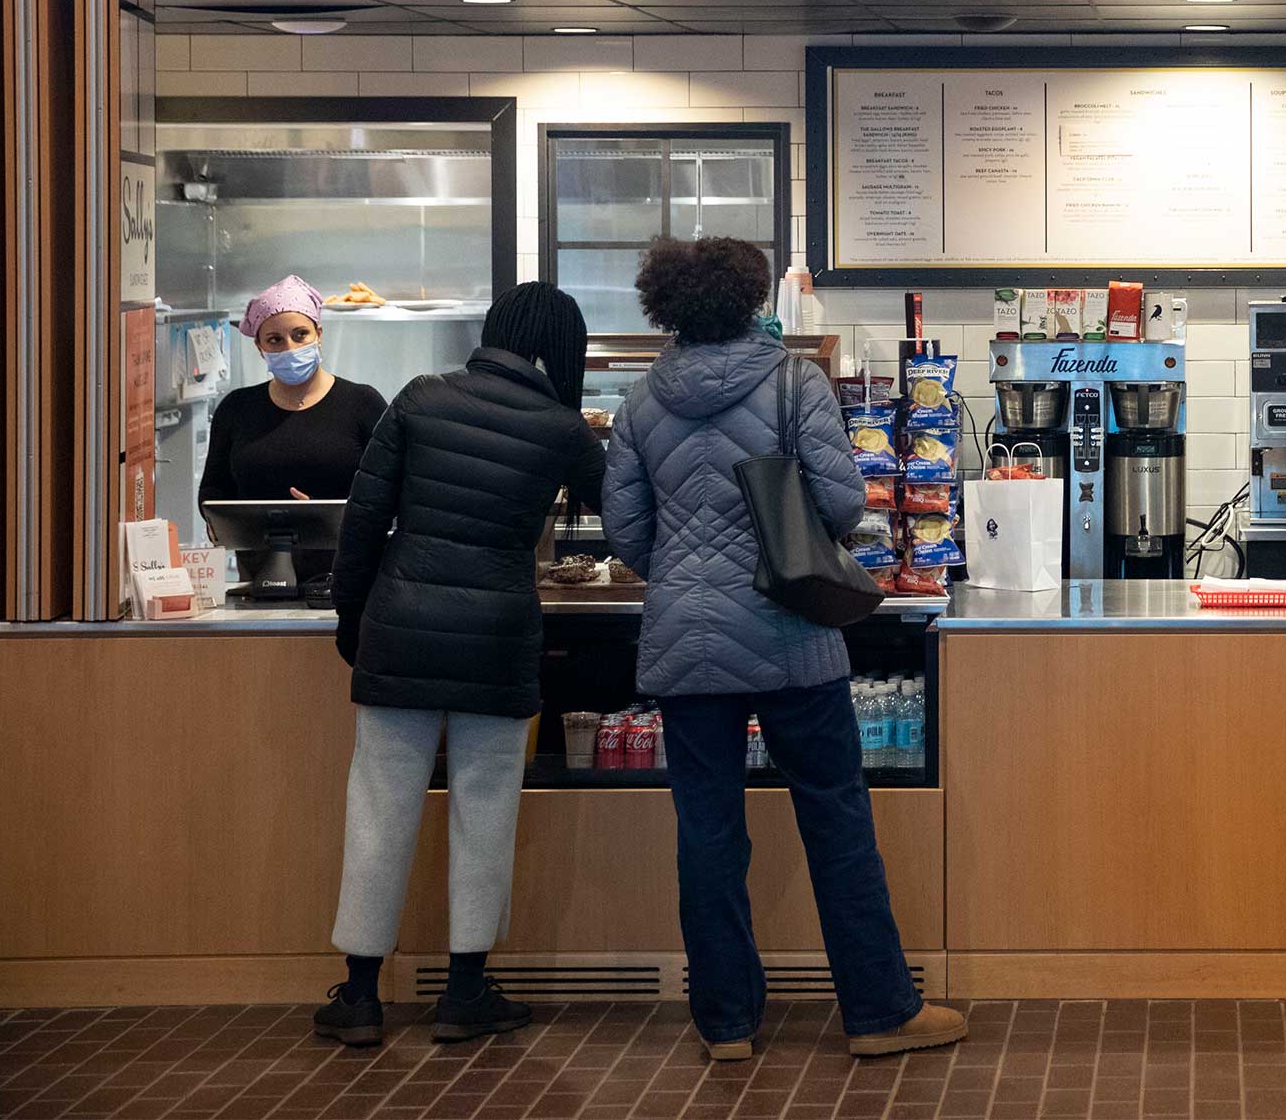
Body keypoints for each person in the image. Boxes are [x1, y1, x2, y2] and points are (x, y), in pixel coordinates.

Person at [603, 237, 965, 1063]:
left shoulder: (639, 401)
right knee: (835, 817)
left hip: (685, 645)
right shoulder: (792, 378)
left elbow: (626, 530)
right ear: (749, 298)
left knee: (707, 832)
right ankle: (877, 1009)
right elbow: (842, 502)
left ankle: (725, 1022)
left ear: (667, 308)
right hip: (791, 633)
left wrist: (689, 570)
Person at [311, 284, 606, 1049]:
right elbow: (621, 520)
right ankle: (465, 990)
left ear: (494, 330)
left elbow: (363, 523)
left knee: (379, 807)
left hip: (401, 626)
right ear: (562, 349)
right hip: (499, 632)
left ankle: (362, 996)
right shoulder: (563, 428)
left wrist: (354, 618)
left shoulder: (419, 396)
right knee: (485, 808)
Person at [199, 274, 387, 508]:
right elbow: (212, 490)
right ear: (259, 347)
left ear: (318, 335)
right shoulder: (236, 408)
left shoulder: (363, 404)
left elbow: (391, 488)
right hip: (257, 544)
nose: (290, 348)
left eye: (300, 335)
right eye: (275, 340)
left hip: (344, 544)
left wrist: (323, 515)